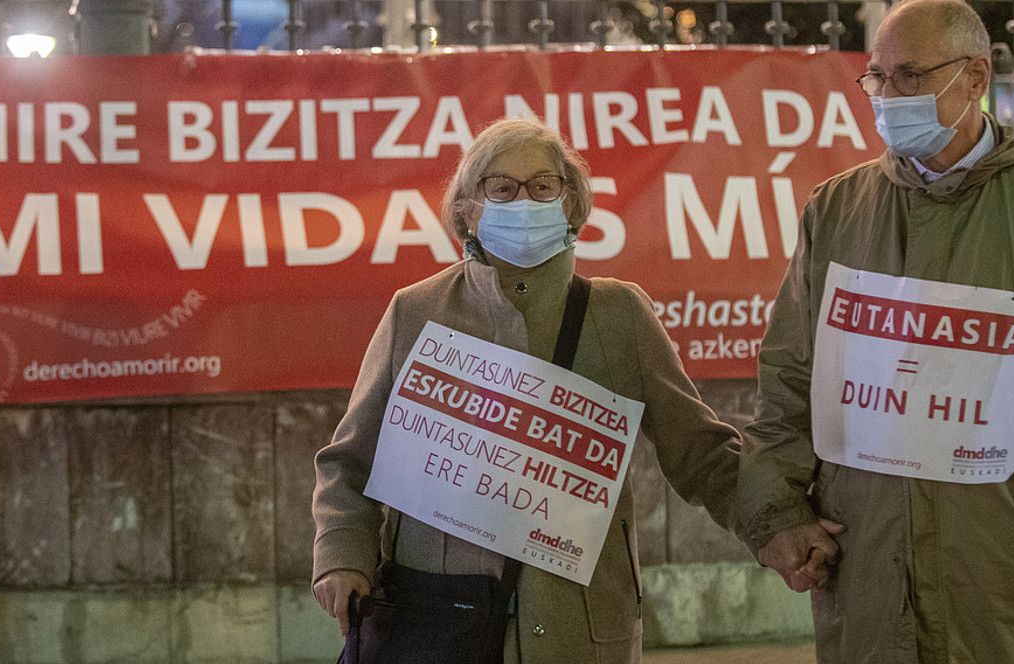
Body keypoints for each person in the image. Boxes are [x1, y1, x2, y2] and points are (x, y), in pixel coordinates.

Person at [736, 0, 1014, 663]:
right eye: (879, 76)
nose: (887, 94)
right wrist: (777, 515)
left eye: (911, 76)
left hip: (1004, 575)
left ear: (975, 78)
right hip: (868, 570)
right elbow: (789, 382)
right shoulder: (838, 210)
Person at [311, 118, 741, 664]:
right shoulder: (414, 312)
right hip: (438, 624)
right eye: (502, 188)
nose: (525, 202)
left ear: (571, 204)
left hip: (579, 632)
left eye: (543, 186)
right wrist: (342, 555)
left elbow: (701, 453)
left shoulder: (619, 315)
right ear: (468, 210)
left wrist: (779, 526)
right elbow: (350, 462)